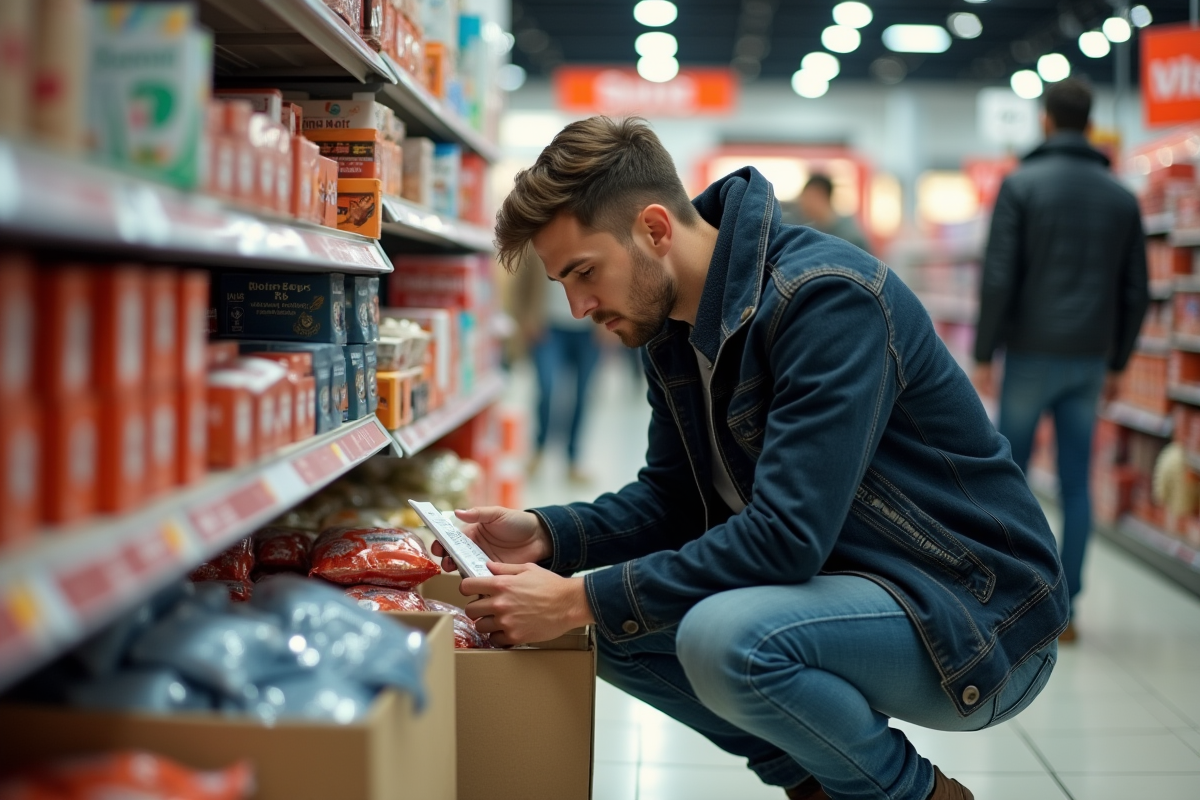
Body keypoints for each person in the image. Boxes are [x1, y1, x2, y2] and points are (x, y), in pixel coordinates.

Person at [438, 117, 1067, 800]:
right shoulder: (670, 332)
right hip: (855, 590)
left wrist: (583, 596)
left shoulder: (826, 299)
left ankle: (913, 795)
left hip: (975, 615)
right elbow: (673, 499)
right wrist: (550, 534)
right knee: (615, 628)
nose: (579, 305)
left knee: (716, 635)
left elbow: (786, 538)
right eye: (562, 282)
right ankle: (823, 786)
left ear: (654, 229)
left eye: (585, 272)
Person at [972, 78, 1148, 643]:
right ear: (1089, 123)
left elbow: (999, 277)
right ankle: (1065, 607)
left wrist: (982, 351)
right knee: (1076, 482)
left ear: (1046, 121)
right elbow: (1135, 290)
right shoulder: (1121, 196)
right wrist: (1119, 361)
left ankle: (1015, 600)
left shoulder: (1020, 185)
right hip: (1089, 358)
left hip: (1029, 353)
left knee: (1009, 479)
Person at [510, 246, 601, 482]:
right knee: (547, 388)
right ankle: (538, 450)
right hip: (548, 328)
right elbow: (520, 283)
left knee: (581, 394)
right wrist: (525, 318)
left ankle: (573, 460)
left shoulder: (596, 232)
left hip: (588, 331)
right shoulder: (540, 240)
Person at [796, 173, 871, 253]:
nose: (803, 205)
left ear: (820, 195)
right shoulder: (817, 229)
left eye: (807, 198)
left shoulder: (849, 236)